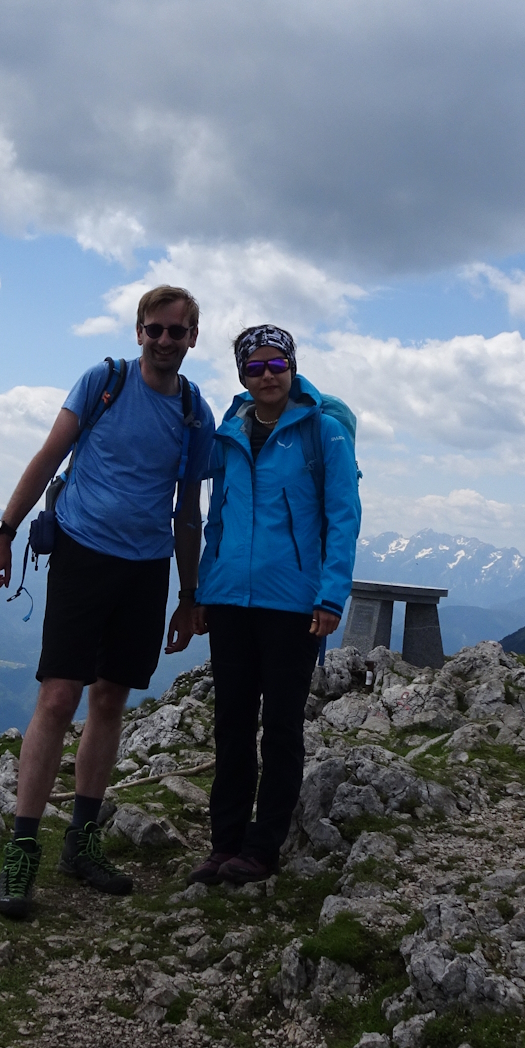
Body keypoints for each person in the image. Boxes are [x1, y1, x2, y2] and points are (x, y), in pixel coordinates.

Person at [0, 285, 215, 919]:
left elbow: (187, 512)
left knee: (110, 697)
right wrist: (3, 534)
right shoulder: (102, 382)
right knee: (59, 695)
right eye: (156, 329)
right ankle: (23, 849)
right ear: (139, 331)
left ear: (194, 338)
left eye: (178, 331)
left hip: (145, 568)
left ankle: (79, 844)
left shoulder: (195, 414)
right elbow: (49, 456)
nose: (166, 340)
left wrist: (190, 595)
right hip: (84, 555)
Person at [188, 325, 360, 885]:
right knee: (232, 725)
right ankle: (225, 844)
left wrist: (332, 595)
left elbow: (343, 518)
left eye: (275, 365)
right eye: (255, 367)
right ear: (242, 374)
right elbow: (219, 518)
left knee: (281, 726)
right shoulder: (230, 432)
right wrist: (204, 588)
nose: (266, 376)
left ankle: (263, 848)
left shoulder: (322, 432)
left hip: (294, 605)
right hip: (231, 600)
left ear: (292, 367)